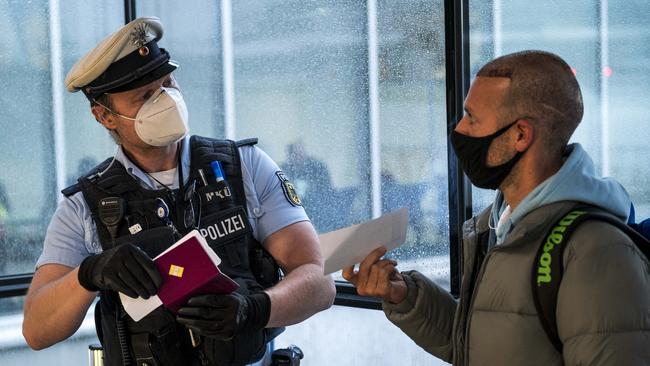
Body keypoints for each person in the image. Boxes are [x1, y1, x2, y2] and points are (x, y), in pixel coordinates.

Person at [22, 17, 335, 366]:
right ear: (104, 116)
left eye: (167, 84)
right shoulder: (84, 207)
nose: (165, 101)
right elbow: (37, 330)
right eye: (144, 96)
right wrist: (88, 274)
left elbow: (319, 283)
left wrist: (256, 308)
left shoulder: (245, 166)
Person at [343, 50, 650, 365]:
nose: (459, 130)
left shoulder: (597, 250)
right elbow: (480, 345)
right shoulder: (499, 224)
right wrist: (405, 296)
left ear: (520, 135)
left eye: (472, 118)